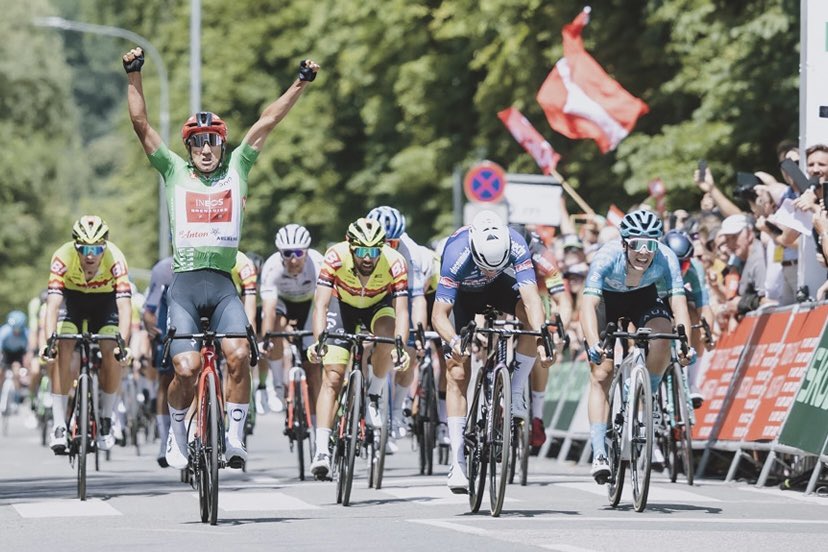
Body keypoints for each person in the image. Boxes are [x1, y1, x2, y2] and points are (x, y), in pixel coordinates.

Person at [122, 46, 319, 470]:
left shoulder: (238, 168)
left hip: (223, 284)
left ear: (222, 144)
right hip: (186, 286)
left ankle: (232, 438)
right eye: (198, 143)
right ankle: (176, 436)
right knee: (187, 370)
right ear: (189, 149)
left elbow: (269, 120)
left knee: (238, 356)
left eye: (213, 141)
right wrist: (134, 73)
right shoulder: (174, 171)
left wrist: (300, 82)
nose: (206, 149)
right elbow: (140, 124)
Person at [431, 210, 551, 493]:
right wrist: (454, 341)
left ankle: (517, 390)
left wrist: (542, 335)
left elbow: (533, 300)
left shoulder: (516, 243)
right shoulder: (456, 252)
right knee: (458, 371)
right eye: (485, 265)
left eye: (495, 265)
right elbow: (439, 315)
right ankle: (458, 461)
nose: (489, 271)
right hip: (463, 296)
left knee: (530, 321)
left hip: (499, 288)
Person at [580, 209, 692, 484]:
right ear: (624, 244)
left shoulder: (665, 258)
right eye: (636, 246)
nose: (643, 252)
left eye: (650, 245)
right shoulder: (606, 257)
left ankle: (647, 395)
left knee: (664, 336)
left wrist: (685, 343)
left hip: (644, 298)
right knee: (602, 373)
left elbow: (678, 304)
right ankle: (599, 452)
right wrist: (594, 342)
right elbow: (588, 305)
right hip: (608, 299)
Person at [308, 218, 410, 479]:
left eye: (374, 251)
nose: (368, 258)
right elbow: (320, 305)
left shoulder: (395, 261)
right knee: (332, 376)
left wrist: (400, 346)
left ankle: (374, 393)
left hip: (378, 306)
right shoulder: (334, 257)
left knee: (387, 336)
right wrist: (318, 341)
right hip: (342, 307)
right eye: (362, 251)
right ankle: (321, 450)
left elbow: (402, 310)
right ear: (350, 246)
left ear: (382, 249)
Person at [43, 216, 133, 454]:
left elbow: (124, 308)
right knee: (62, 348)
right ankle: (60, 425)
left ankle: (105, 418)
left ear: (104, 247)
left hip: (105, 305)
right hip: (73, 303)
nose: (90, 255)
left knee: (111, 351)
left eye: (96, 249)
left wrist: (122, 346)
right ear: (76, 247)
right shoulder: (62, 257)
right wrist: (49, 342)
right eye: (84, 248)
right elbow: (52, 305)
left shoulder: (116, 259)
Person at [366, 205, 426, 451]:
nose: (388, 248)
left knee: (409, 352)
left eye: (393, 242)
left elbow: (417, 298)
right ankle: (360, 392)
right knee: (365, 343)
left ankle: (398, 408)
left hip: (400, 295)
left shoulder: (411, 253)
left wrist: (418, 333)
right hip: (369, 295)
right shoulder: (363, 246)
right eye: (384, 243)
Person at [259, 224, 324, 417]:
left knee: (312, 367)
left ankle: (317, 428)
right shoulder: (271, 267)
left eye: (298, 253)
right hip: (282, 304)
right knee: (275, 328)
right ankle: (278, 386)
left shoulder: (318, 264)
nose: (293, 259)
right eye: (287, 254)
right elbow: (269, 309)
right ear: (280, 253)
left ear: (306, 252)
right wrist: (267, 339)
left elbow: (323, 304)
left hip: (309, 305)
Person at [661, 230, 714, 408]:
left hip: (678, 296)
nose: (679, 269)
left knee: (696, 318)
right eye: (675, 264)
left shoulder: (694, 268)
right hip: (655, 297)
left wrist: (707, 333)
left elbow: (704, 306)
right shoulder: (653, 266)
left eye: (683, 265)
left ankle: (692, 382)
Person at [142, 256, 173, 467]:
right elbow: (149, 311)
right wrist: (155, 333)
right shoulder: (163, 269)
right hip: (168, 326)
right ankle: (164, 440)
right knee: (165, 380)